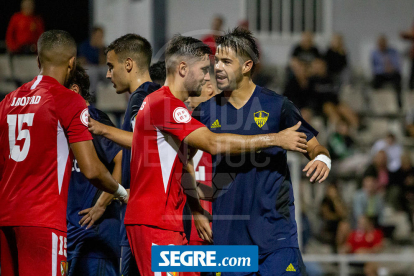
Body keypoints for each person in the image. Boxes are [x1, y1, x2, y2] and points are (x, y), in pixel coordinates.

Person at [125, 34, 311, 276]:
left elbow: (183, 164)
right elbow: (213, 143)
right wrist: (276, 138)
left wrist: (196, 210)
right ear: (183, 68)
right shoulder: (165, 104)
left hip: (173, 223)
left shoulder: (170, 107)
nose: (207, 76)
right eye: (204, 69)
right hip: (155, 221)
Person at [193, 27, 331, 276]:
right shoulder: (205, 111)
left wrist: (322, 159)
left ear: (247, 66)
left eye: (226, 61)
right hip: (228, 239)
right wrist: (196, 208)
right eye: (217, 61)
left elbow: (314, 146)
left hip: (275, 236)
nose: (218, 68)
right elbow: (182, 159)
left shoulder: (277, 105)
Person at [0, 30, 127, 275]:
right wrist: (121, 192)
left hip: (5, 220)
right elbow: (91, 169)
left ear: (38, 61)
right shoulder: (68, 100)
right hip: (42, 221)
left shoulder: (7, 102)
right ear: (72, 62)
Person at [83, 33, 161, 276]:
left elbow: (146, 143)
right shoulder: (149, 96)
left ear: (128, 64)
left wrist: (102, 129)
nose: (108, 74)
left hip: (143, 217)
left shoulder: (142, 97)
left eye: (110, 66)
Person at [66, 64, 123, 276]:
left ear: (73, 90)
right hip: (74, 231)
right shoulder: (68, 124)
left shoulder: (91, 118)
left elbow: (121, 158)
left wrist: (101, 204)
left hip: (96, 233)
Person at [371, 35, 402, 109]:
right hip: (381, 74)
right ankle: (376, 103)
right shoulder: (374, 53)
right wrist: (383, 69)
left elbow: (398, 64)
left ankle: (399, 103)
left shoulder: (393, 52)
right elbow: (374, 68)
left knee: (398, 79)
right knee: (375, 81)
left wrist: (392, 68)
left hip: (392, 73)